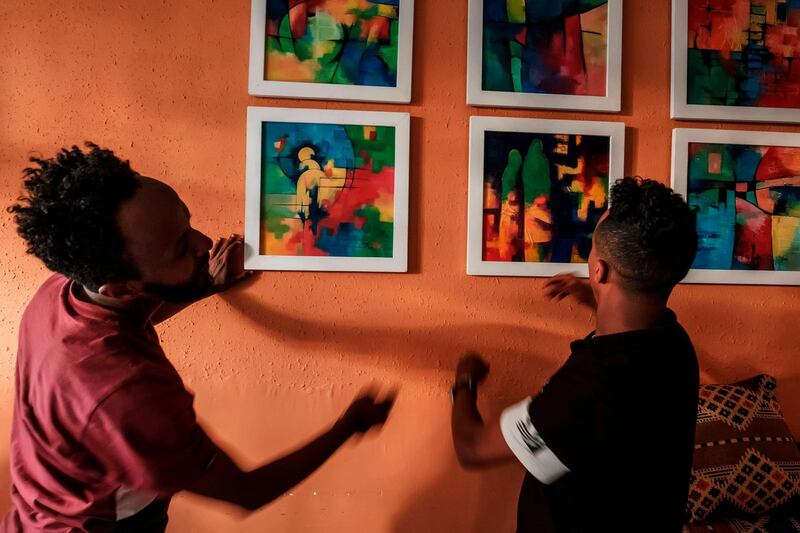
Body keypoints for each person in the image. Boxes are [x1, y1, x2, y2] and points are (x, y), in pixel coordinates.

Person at [2, 143, 396, 532]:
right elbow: (247, 492)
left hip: (39, 511)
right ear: (120, 287)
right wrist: (349, 425)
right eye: (179, 250)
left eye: (186, 222)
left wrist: (205, 283)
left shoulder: (62, 292)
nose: (204, 244)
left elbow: (136, 316)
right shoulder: (128, 392)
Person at [450, 177, 700, 532]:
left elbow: (472, 448)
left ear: (599, 271)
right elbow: (629, 330)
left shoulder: (590, 389)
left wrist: (464, 381)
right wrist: (597, 296)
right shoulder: (672, 342)